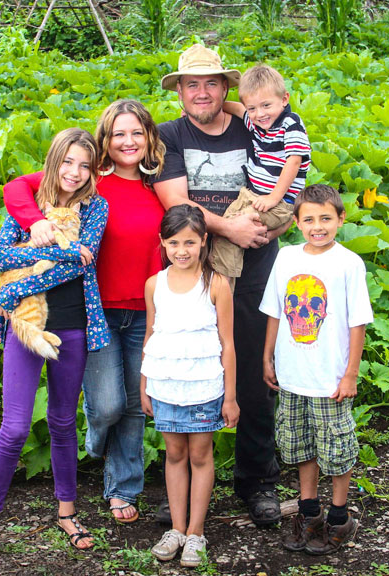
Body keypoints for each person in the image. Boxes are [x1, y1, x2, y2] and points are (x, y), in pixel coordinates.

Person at [1, 99, 167, 523]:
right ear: (105, 142)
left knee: (133, 403)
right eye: (118, 134)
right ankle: (98, 446)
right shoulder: (87, 182)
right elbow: (19, 187)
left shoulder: (161, 184)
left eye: (136, 133)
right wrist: (34, 225)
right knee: (108, 405)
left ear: (149, 138)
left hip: (143, 308)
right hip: (96, 312)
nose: (128, 142)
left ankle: (121, 488)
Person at [0, 128, 109, 564]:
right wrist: (61, 248)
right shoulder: (27, 208)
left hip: (72, 327)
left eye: (84, 165)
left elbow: (86, 262)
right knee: (15, 428)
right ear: (54, 161)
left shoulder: (96, 208)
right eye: (68, 162)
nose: (75, 172)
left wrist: (17, 284)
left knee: (64, 421)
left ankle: (66, 511)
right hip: (25, 328)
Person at [154, 43, 284, 526]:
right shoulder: (167, 135)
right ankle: (181, 483)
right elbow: (174, 201)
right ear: (180, 91)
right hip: (191, 268)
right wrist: (230, 228)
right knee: (183, 366)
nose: (202, 92)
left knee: (251, 370)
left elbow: (286, 183)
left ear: (228, 87)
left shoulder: (255, 128)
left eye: (212, 82)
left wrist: (273, 226)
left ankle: (257, 480)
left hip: (255, 265)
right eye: (193, 84)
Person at [260, 184, 373, 556]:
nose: (317, 226)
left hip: (329, 379)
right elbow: (276, 311)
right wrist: (267, 357)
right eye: (309, 219)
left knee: (337, 449)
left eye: (326, 218)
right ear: (296, 222)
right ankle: (309, 513)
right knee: (300, 446)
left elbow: (358, 323)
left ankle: (340, 517)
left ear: (341, 219)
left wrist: (350, 374)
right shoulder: (286, 258)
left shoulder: (348, 263)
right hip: (293, 375)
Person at [140, 204, 239, 567]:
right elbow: (151, 335)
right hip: (165, 384)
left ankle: (196, 532)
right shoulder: (155, 284)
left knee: (200, 455)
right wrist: (144, 383)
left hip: (204, 386)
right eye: (174, 242)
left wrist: (230, 397)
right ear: (163, 243)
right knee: (174, 455)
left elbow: (227, 343)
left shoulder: (216, 284)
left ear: (204, 242)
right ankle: (176, 529)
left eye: (190, 242)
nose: (182, 250)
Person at [216, 64, 311, 291]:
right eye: (253, 108)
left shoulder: (291, 124)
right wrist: (207, 108)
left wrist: (273, 197)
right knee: (225, 229)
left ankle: (223, 291)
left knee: (237, 228)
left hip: (278, 203)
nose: (260, 114)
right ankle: (220, 285)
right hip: (251, 196)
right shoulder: (257, 123)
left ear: (284, 99)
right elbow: (237, 109)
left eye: (266, 105)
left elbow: (294, 162)